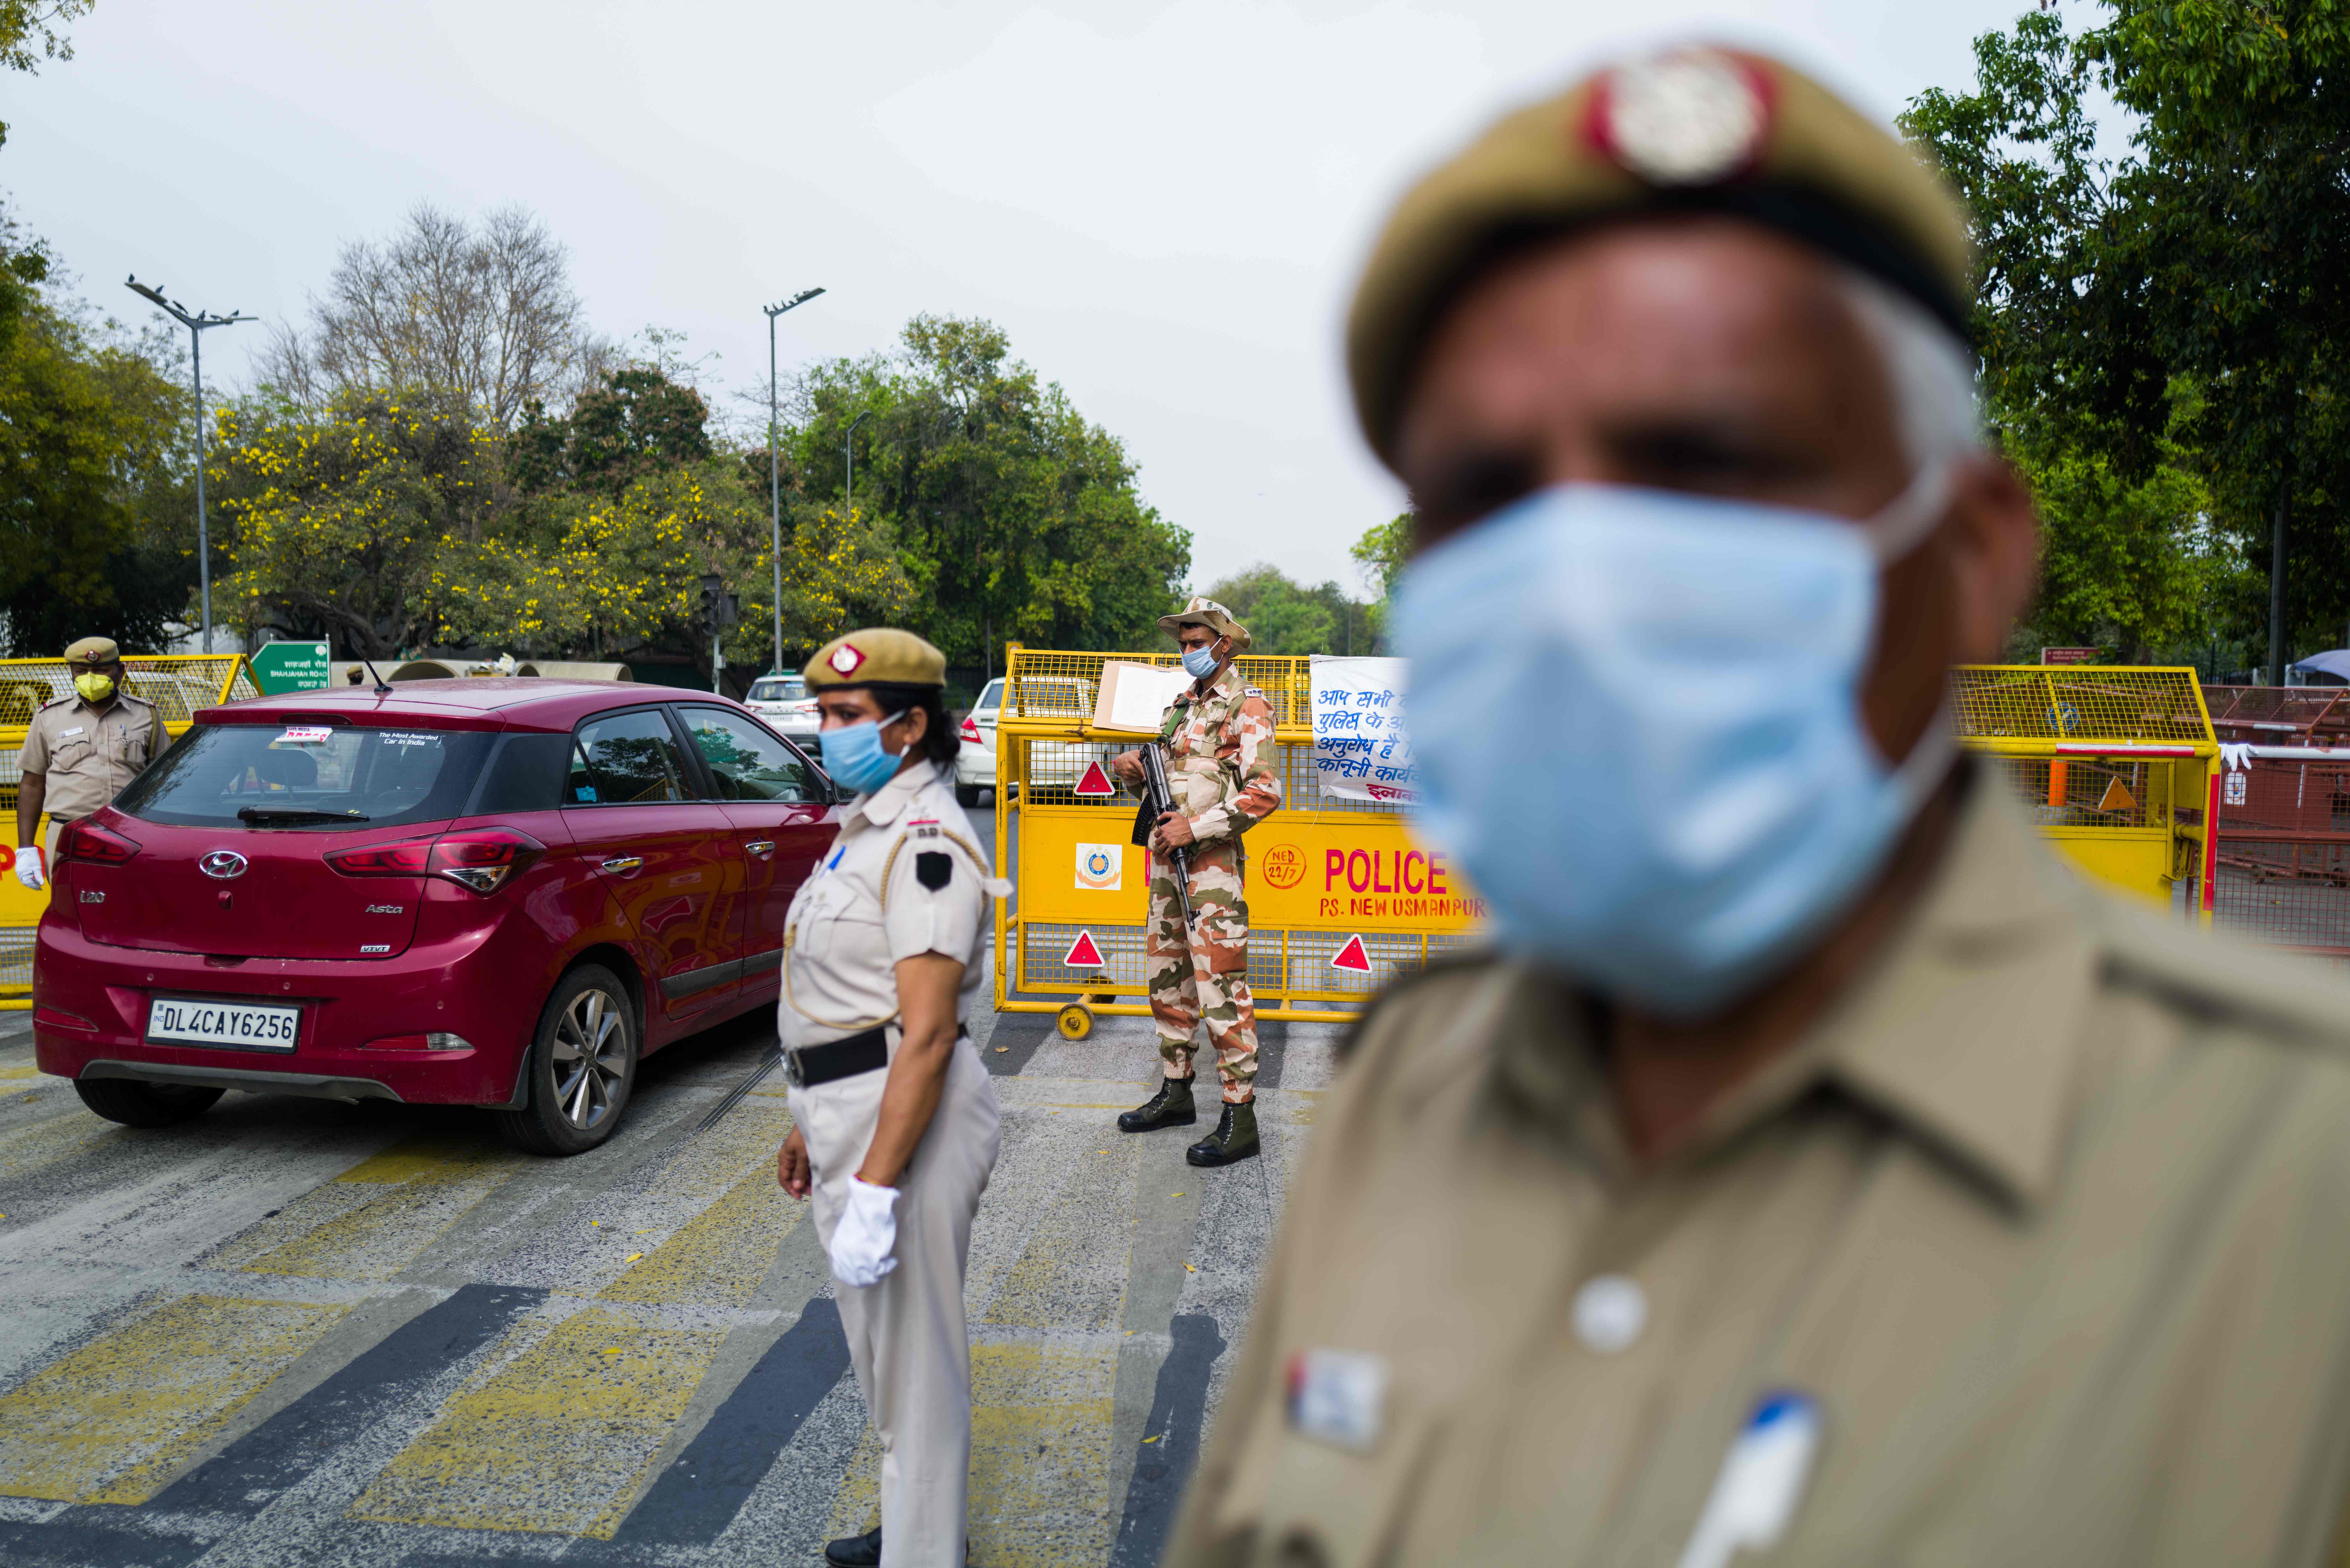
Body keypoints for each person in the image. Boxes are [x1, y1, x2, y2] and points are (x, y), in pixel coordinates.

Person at [1166, 45, 2350, 1568]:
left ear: (1973, 553)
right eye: (1487, 491)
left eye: (1705, 462)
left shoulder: (2292, 1189)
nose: (1583, 578)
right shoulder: (1418, 1084)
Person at [771, 628, 1007, 1568]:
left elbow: (926, 1029)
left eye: (847, 717)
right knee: (885, 1359)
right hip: (854, 1107)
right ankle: (916, 1521)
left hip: (906, 1116)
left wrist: (874, 1185)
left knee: (914, 1366)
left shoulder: (922, 840)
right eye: (824, 715)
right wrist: (803, 1121)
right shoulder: (863, 826)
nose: (827, 731)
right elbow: (839, 997)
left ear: (909, 727)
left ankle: (924, 1551)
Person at [1109, 597, 1283, 1167]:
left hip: (1210, 870)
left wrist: (1196, 828)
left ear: (1224, 644)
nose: (1186, 651)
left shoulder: (1247, 706)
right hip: (1166, 862)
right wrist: (1134, 772)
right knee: (1168, 978)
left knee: (1221, 986)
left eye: (1195, 641)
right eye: (1181, 642)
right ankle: (1176, 1089)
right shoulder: (1180, 708)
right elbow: (1171, 785)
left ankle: (1240, 1114)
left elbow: (1262, 793)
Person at [15, 636, 166, 892]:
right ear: (72, 674)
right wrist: (26, 849)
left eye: (101, 670)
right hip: (70, 836)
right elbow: (32, 784)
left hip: (132, 835)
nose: (90, 677)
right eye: (81, 671)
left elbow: (164, 781)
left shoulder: (145, 715)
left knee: (133, 913)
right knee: (71, 914)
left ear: (120, 671)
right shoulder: (49, 717)